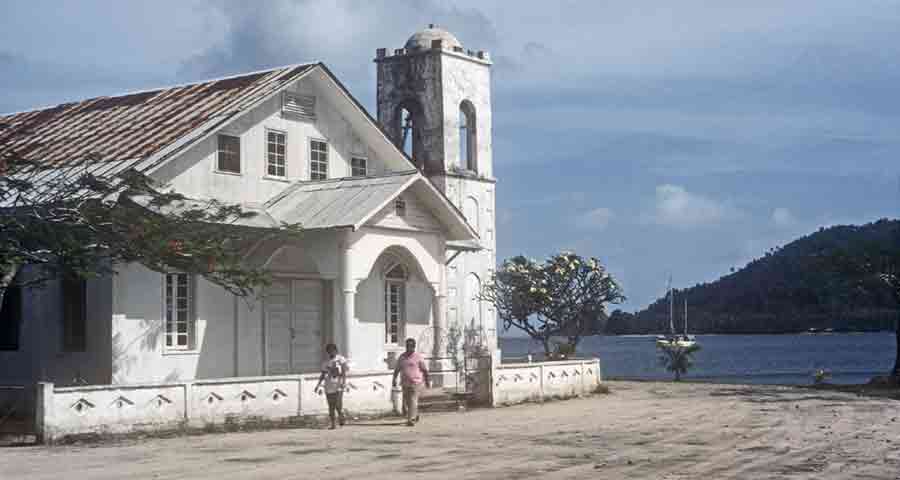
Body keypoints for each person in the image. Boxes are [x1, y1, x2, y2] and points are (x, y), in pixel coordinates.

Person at [392, 338, 430, 427]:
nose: (409, 348)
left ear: (414, 347)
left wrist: (427, 381)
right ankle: (415, 415)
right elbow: (397, 369)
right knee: (407, 402)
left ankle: (411, 420)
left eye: (411, 346)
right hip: (405, 383)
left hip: (415, 382)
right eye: (407, 346)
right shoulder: (402, 357)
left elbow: (424, 370)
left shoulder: (418, 357)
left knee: (413, 400)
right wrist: (394, 379)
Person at [315, 343, 349, 429]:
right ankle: (333, 423)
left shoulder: (341, 359)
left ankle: (341, 415)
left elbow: (344, 371)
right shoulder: (326, 362)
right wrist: (318, 385)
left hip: (338, 384)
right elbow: (323, 374)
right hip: (328, 385)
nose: (331, 353)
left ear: (336, 350)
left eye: (332, 351)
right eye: (329, 351)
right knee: (331, 405)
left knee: (338, 404)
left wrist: (344, 382)